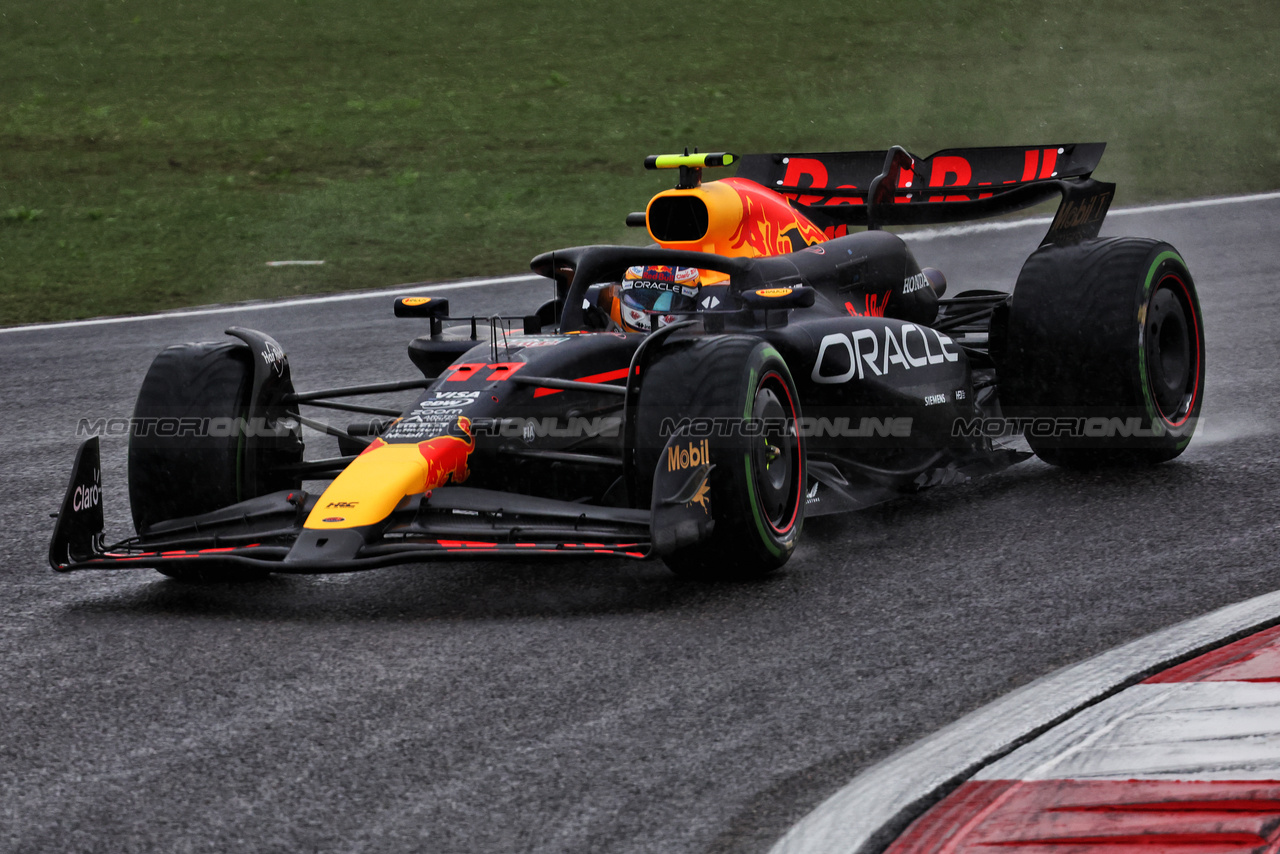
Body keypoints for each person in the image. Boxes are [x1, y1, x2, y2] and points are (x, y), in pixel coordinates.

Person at [606, 265, 702, 332]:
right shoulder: (607, 316)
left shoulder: (704, 334)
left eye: (666, 302)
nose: (650, 311)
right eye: (641, 298)